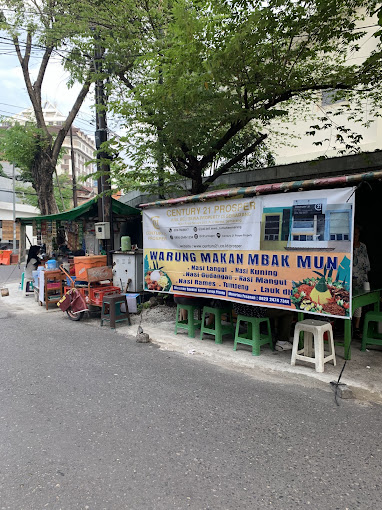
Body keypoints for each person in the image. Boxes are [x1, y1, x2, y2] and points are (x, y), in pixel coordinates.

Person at [352, 224, 370, 339]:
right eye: (353, 234)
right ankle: (348, 328)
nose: (355, 236)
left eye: (357, 234)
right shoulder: (347, 246)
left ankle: (357, 328)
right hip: (349, 280)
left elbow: (367, 265)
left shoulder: (363, 247)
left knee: (359, 304)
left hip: (361, 279)